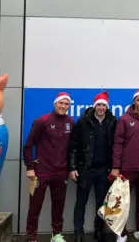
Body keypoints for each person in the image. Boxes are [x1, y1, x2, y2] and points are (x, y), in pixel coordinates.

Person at [23, 92, 75, 242]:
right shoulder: (42, 121)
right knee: (35, 207)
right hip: (41, 172)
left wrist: (70, 168)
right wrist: (29, 167)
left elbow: (72, 147)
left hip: (61, 172)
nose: (63, 106)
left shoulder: (70, 122)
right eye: (61, 103)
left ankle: (56, 235)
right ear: (55, 104)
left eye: (66, 104)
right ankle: (31, 237)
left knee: (59, 206)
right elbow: (28, 145)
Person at [68, 91, 117, 242]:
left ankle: (99, 231)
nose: (101, 108)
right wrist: (72, 167)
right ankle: (78, 233)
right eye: (99, 105)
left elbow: (117, 146)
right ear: (94, 106)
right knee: (80, 203)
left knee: (101, 203)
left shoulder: (112, 121)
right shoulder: (83, 122)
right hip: (85, 170)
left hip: (104, 171)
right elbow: (73, 146)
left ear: (107, 107)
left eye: (104, 105)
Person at [112, 89, 139, 242]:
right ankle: (121, 233)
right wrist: (116, 166)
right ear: (134, 101)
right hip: (127, 169)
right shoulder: (124, 119)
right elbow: (118, 144)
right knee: (122, 202)